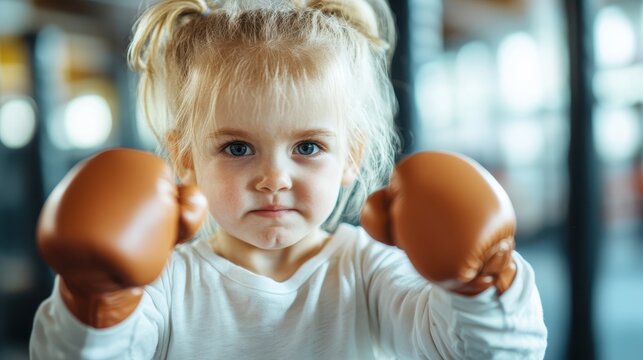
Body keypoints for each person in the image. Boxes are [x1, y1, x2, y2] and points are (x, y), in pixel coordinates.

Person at [30, 0, 548, 358]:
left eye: (307, 147)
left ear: (351, 156)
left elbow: (492, 353)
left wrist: (482, 284)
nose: (274, 178)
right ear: (185, 158)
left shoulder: (367, 269)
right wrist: (95, 299)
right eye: (237, 148)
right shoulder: (162, 282)